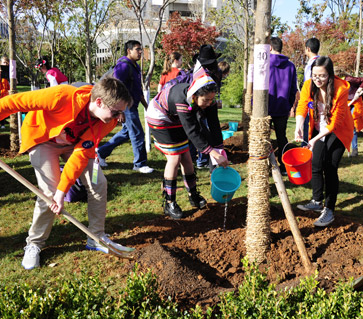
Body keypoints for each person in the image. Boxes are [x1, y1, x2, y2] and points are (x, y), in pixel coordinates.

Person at [0, 78, 135, 270]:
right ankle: (34, 244)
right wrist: (57, 192)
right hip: (43, 139)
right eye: (115, 111)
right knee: (48, 192)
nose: (118, 117)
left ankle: (96, 237)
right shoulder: (61, 96)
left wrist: (63, 191)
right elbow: (13, 102)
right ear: (99, 102)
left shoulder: (108, 121)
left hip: (73, 145)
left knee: (98, 182)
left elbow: (80, 155)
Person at [146, 65, 227, 219]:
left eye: (212, 99)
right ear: (195, 95)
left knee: (187, 156)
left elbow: (214, 125)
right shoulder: (182, 99)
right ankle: (169, 203)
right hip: (160, 117)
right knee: (175, 157)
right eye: (206, 100)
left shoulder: (208, 97)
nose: (209, 103)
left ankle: (193, 195)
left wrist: (219, 149)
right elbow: (192, 131)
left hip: (176, 118)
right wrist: (211, 152)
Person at [295, 56, 354, 227]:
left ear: (330, 75)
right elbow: (303, 105)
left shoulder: (341, 89)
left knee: (330, 166)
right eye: (315, 75)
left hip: (338, 131)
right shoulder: (308, 85)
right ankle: (316, 200)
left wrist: (314, 139)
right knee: (315, 164)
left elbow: (335, 122)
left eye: (322, 76)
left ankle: (329, 209)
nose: (318, 79)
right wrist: (299, 126)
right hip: (318, 128)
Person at [97, 40, 154, 173]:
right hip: (125, 106)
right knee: (137, 133)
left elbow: (137, 88)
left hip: (132, 105)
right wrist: (119, 111)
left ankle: (100, 153)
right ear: (129, 51)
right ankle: (139, 164)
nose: (140, 52)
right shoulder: (122, 66)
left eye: (141, 49)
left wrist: (146, 105)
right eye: (137, 49)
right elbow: (116, 89)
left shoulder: (135, 66)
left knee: (126, 133)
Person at [268, 37, 298, 175]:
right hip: (282, 107)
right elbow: (293, 89)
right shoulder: (290, 66)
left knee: (263, 137)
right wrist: (289, 104)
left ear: (270, 47)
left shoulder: (264, 63)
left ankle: (263, 166)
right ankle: (284, 166)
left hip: (265, 107)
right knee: (282, 137)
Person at [337, 70, 363, 157]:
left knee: (352, 126)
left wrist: (359, 90)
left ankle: (354, 149)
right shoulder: (334, 83)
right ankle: (342, 148)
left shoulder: (349, 79)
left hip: (354, 103)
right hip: (344, 103)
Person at [301, 38, 320, 146]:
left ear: (308, 49)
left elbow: (309, 84)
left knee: (308, 129)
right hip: (318, 101)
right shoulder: (321, 62)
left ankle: (306, 149)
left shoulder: (311, 65)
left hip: (311, 102)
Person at [0, 56, 9, 129]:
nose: (5, 64)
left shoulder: (6, 74)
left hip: (5, 95)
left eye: (7, 63)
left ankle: (3, 123)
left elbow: (7, 86)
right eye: (4, 62)